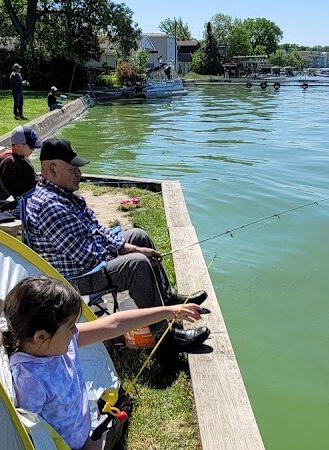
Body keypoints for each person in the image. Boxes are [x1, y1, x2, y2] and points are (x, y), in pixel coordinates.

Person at [24, 138, 210, 349]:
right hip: (75, 277)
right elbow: (88, 256)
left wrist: (129, 246)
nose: (79, 174)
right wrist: (126, 253)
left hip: (88, 261)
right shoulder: (49, 206)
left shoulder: (65, 196)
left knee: (138, 236)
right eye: (73, 169)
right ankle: (164, 335)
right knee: (136, 264)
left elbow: (97, 230)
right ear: (53, 169)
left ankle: (166, 301)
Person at [4, 277, 206, 450]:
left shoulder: (57, 343)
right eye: (71, 327)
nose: (76, 331)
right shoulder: (28, 380)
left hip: (86, 437)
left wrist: (168, 311)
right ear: (41, 336)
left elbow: (114, 323)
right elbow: (34, 438)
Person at [0, 125, 43, 199]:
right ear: (18, 146)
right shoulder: (9, 162)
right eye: (31, 147)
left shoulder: (22, 157)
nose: (33, 149)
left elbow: (33, 176)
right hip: (27, 199)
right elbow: (18, 190)